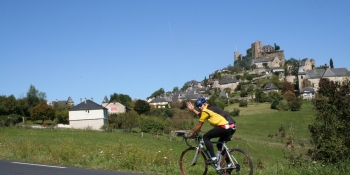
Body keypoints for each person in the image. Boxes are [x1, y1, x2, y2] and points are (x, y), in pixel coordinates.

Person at [186, 97, 236, 164]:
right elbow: (201, 115)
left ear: (205, 103)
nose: (199, 107)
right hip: (231, 127)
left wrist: (192, 134)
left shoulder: (206, 110)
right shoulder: (209, 108)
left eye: (200, 105)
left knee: (206, 137)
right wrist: (193, 109)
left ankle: (213, 158)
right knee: (220, 145)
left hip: (226, 126)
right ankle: (229, 165)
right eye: (198, 106)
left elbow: (199, 125)